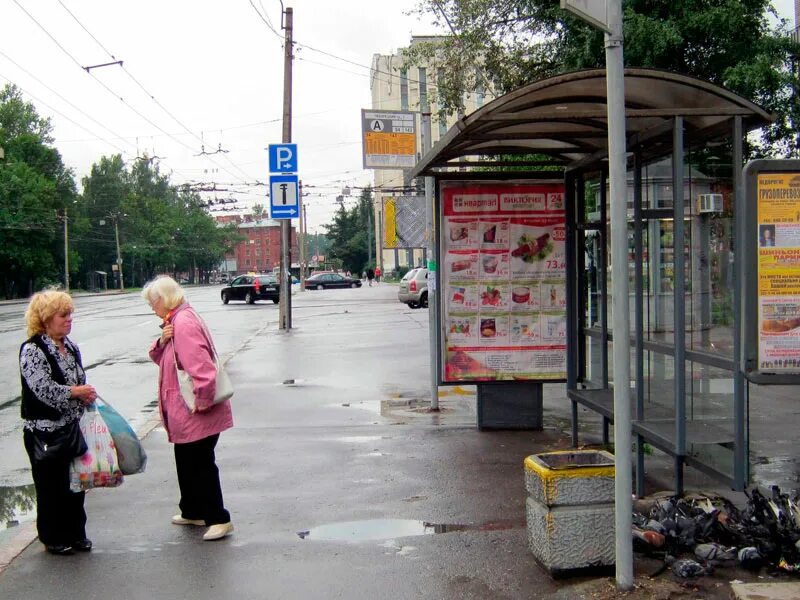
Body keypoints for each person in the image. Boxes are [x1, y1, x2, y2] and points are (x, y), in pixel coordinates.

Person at [142, 276, 234, 541]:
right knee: (186, 459)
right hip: (185, 409)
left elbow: (202, 370)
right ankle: (192, 509)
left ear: (164, 299)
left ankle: (218, 518)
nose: (152, 308)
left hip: (194, 409)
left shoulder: (182, 322)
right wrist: (161, 341)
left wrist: (202, 403)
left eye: (153, 302)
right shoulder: (176, 320)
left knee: (200, 463)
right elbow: (161, 358)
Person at [20, 290, 97, 555]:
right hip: (44, 433)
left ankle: (76, 534)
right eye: (63, 315)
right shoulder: (32, 349)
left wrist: (85, 393)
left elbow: (78, 378)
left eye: (70, 314)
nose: (69, 320)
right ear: (45, 318)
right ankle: (53, 537)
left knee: (76, 485)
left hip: (72, 427)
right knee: (51, 488)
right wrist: (77, 392)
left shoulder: (71, 346)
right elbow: (44, 390)